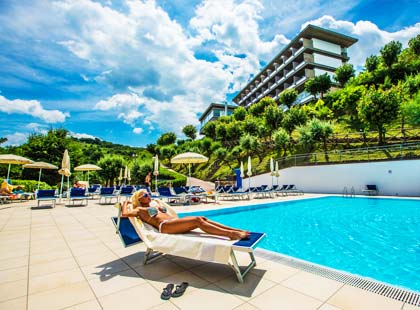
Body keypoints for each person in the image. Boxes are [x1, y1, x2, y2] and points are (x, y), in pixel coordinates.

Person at [121, 189, 250, 240]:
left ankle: (235, 230)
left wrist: (160, 207)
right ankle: (232, 235)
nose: (148, 195)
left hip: (173, 222)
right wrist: (125, 203)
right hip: (165, 227)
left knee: (202, 218)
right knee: (197, 221)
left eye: (148, 193)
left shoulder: (153, 205)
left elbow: (162, 211)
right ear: (139, 199)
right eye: (145, 195)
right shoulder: (140, 210)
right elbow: (125, 214)